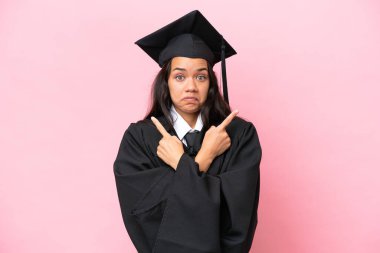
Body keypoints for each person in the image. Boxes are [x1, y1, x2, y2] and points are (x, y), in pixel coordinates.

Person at [113, 10, 262, 253]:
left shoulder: (240, 135)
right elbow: (142, 215)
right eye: (180, 76)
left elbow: (239, 214)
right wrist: (203, 160)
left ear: (211, 84)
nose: (191, 87)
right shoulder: (139, 138)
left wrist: (179, 167)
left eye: (201, 77)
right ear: (166, 82)